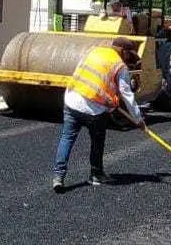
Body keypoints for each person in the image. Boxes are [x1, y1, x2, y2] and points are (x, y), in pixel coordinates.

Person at [51, 37, 145, 193]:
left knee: (67, 138)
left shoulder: (93, 52)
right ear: (123, 51)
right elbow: (127, 95)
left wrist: (110, 101)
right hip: (93, 110)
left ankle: (58, 176)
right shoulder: (119, 66)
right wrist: (138, 119)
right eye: (129, 55)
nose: (128, 59)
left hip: (71, 100)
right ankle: (96, 174)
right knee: (97, 140)